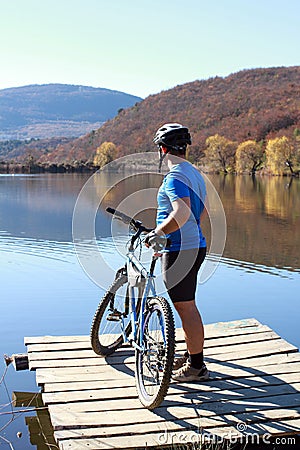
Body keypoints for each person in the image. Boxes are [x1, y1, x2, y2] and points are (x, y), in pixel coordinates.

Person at [145, 123, 209, 383]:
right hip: (195, 245)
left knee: (186, 308)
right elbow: (201, 211)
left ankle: (196, 368)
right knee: (188, 305)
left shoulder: (173, 178)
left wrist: (159, 233)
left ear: (163, 149)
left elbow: (181, 213)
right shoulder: (194, 173)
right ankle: (192, 356)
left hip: (181, 249)